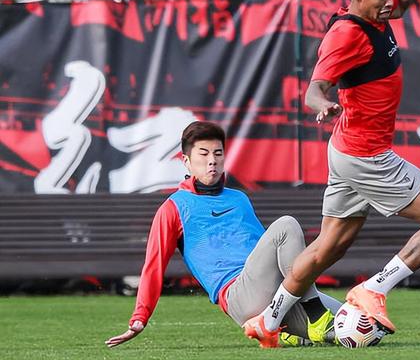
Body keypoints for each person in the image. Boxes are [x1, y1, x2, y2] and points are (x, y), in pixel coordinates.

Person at [243, 0, 420, 347]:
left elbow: (402, 1)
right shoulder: (346, 35)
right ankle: (374, 289)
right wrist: (322, 104)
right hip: (367, 155)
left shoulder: (376, 16)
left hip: (349, 152)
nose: (390, 3)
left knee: (328, 247)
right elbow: (313, 88)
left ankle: (268, 322)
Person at [105, 121, 341, 349]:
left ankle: (284, 331)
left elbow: (265, 253)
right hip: (240, 295)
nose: (212, 160)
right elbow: (153, 266)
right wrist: (140, 318)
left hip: (277, 294)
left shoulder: (239, 198)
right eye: (204, 154)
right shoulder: (173, 208)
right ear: (186, 161)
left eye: (218, 153)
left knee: (356, 324)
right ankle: (314, 316)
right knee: (286, 225)